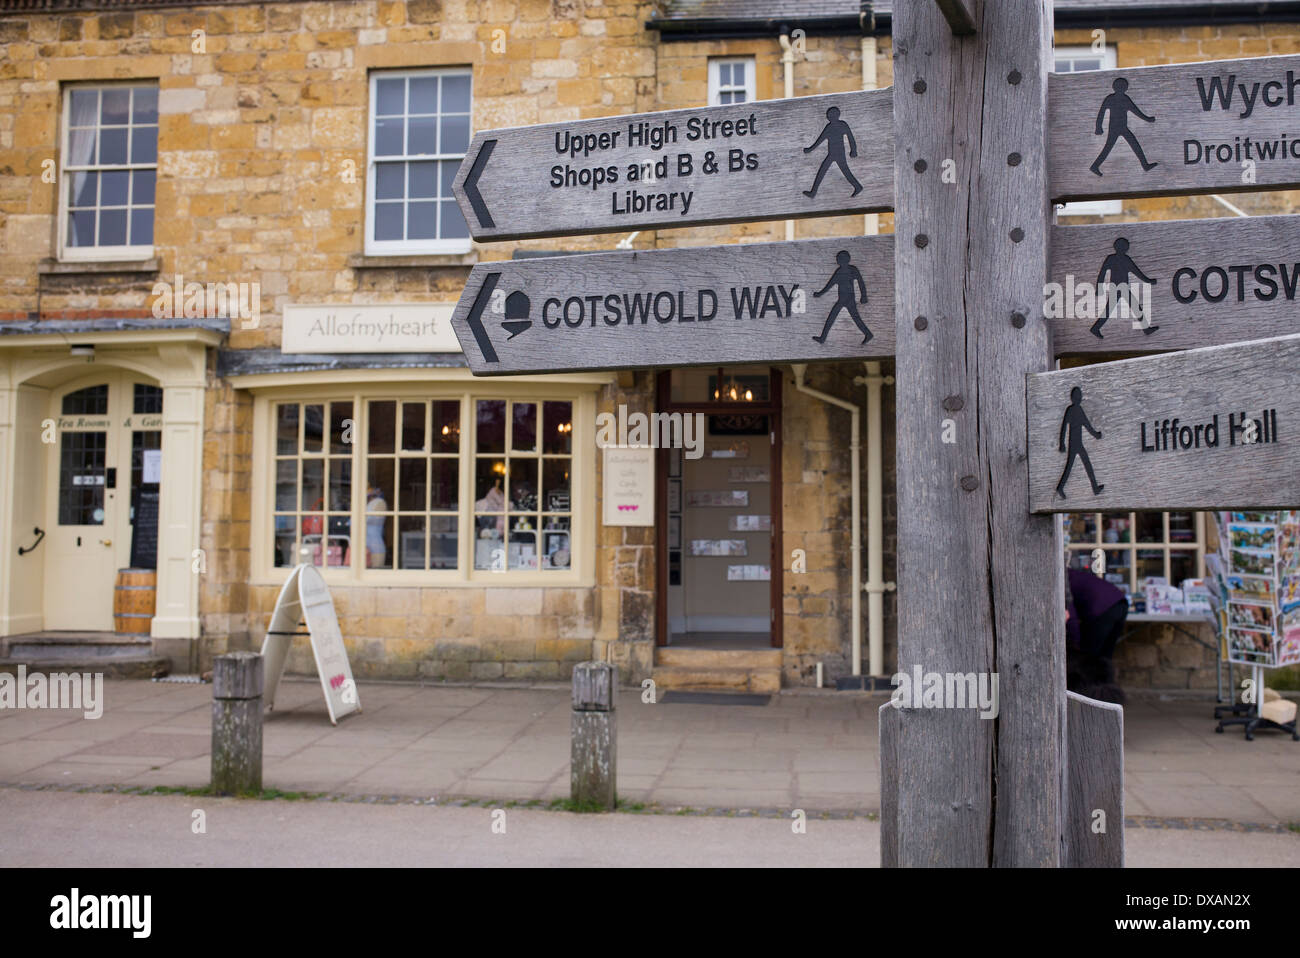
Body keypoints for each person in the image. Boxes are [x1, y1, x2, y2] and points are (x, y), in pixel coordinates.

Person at [1067, 565, 1128, 704]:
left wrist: (1076, 645)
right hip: (1120, 603)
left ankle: (1092, 700)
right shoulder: (1075, 574)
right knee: (1104, 659)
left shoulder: (1062, 578)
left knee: (1087, 661)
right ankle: (1108, 697)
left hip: (1100, 610)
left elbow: (1071, 616)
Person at [812, 250, 872, 344]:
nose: (837, 260)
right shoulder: (839, 272)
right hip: (842, 299)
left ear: (845, 260)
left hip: (849, 299)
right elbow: (830, 284)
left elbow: (861, 282)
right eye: (837, 258)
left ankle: (868, 334)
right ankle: (823, 338)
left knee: (851, 318)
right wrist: (819, 294)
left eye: (839, 258)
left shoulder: (852, 270)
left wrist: (864, 296)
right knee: (834, 317)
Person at [803, 106, 863, 199]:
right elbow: (820, 139)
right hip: (832, 154)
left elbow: (851, 138)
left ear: (836, 115)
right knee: (823, 170)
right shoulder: (829, 127)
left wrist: (854, 150)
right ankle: (813, 192)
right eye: (828, 115)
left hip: (839, 154)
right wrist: (810, 149)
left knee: (844, 172)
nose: (829, 117)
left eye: (830, 115)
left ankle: (858, 187)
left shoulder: (842, 125)